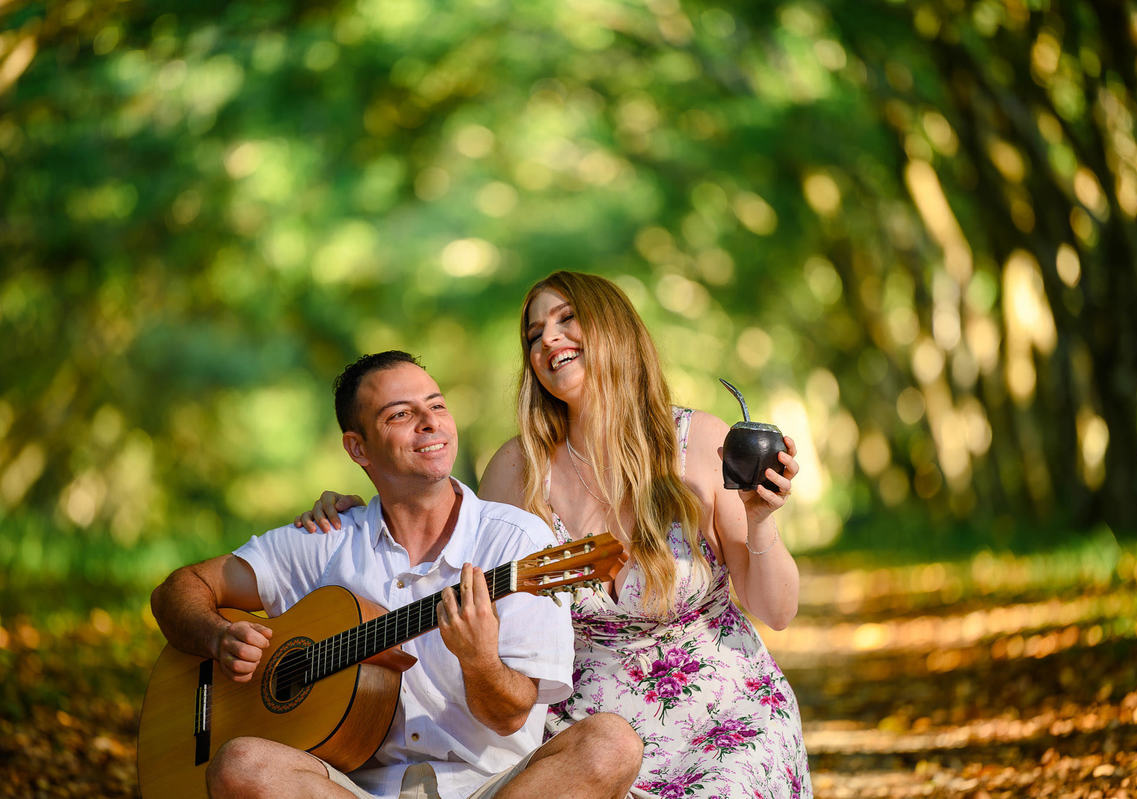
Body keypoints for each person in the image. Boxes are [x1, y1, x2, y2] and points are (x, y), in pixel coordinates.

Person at [298, 275, 812, 799]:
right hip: (583, 737)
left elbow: (777, 611)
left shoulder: (699, 440)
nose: (548, 340)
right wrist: (362, 512)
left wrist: (759, 519)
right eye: (534, 334)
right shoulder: (517, 470)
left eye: (566, 319)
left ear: (615, 329)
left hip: (723, 721)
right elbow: (443, 552)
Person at [151, 350, 643, 799]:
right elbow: (180, 589)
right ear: (358, 449)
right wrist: (218, 637)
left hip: (492, 789)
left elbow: (512, 715)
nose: (430, 423)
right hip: (352, 790)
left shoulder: (516, 542)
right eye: (401, 414)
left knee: (611, 743)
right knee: (241, 763)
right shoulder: (325, 539)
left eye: (437, 406)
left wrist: (481, 662)